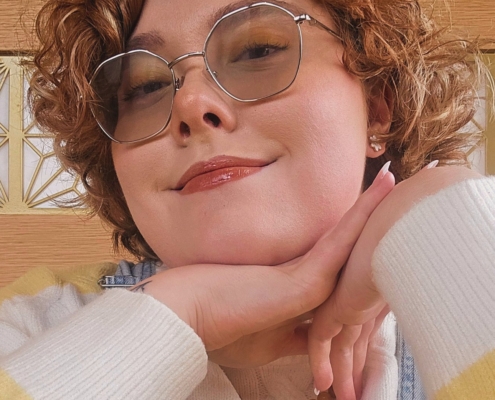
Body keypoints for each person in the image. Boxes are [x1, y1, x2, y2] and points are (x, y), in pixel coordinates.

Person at [1, 0, 494, 398]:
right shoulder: (36, 323)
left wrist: (438, 215)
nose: (189, 103)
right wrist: (180, 314)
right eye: (145, 88)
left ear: (378, 107)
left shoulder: (454, 302)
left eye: (257, 50)